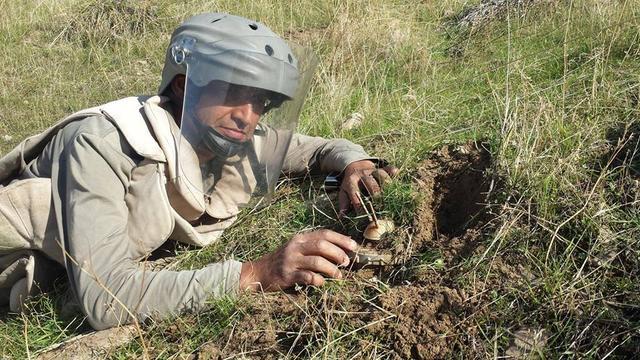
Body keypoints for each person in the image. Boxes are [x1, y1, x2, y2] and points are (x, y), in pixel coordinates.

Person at [0, 13, 397, 330]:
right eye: (233, 93)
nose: (248, 115)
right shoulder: (103, 143)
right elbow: (107, 298)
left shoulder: (227, 132)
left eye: (260, 100)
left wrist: (355, 163)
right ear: (181, 86)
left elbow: (317, 149)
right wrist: (256, 273)